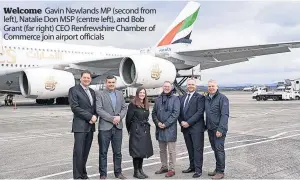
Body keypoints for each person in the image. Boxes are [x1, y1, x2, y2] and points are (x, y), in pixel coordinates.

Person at [95, 75, 128, 179]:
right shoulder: (100, 94)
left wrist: (119, 117)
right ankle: (103, 174)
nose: (111, 84)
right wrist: (112, 118)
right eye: (109, 82)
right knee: (103, 152)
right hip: (105, 128)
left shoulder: (119, 94)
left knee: (117, 152)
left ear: (115, 83)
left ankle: (118, 172)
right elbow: (99, 109)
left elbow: (124, 107)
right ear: (106, 83)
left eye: (113, 82)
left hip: (118, 127)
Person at [68, 70, 98, 179]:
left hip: (90, 127)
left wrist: (94, 118)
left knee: (85, 152)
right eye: (84, 77)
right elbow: (75, 108)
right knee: (78, 152)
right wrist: (89, 117)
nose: (86, 79)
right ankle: (77, 176)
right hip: (80, 126)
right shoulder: (74, 90)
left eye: (88, 78)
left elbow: (95, 108)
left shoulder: (92, 92)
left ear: (90, 79)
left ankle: (83, 174)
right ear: (80, 78)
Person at [152, 81, 180, 177]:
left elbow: (175, 113)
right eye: (165, 86)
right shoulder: (158, 99)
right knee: (162, 150)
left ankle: (172, 169)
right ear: (162, 87)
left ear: (171, 88)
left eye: (168, 86)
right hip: (160, 128)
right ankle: (164, 166)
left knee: (171, 151)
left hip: (170, 129)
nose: (166, 88)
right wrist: (158, 123)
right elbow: (154, 113)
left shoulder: (175, 99)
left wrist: (166, 124)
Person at [178, 78, 205, 178]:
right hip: (185, 128)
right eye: (189, 84)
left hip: (196, 128)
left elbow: (199, 112)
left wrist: (188, 123)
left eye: (192, 84)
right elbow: (179, 112)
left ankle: (198, 170)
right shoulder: (182, 97)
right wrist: (181, 122)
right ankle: (192, 166)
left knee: (197, 149)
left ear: (195, 86)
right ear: (186, 86)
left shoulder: (200, 97)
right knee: (190, 149)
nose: (190, 86)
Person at [126, 87, 154, 179]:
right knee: (136, 151)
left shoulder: (145, 104)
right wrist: (131, 130)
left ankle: (141, 169)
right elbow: (128, 119)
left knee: (142, 150)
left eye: (143, 92)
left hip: (144, 130)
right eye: (140, 92)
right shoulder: (132, 104)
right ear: (137, 94)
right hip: (136, 130)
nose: (142, 94)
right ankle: (136, 171)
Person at [205, 80, 229, 179]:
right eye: (209, 86)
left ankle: (220, 172)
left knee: (219, 150)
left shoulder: (222, 98)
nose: (211, 88)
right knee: (215, 149)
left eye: (213, 86)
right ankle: (217, 168)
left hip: (219, 130)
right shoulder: (207, 98)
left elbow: (225, 115)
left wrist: (220, 129)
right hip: (210, 129)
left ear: (217, 87)